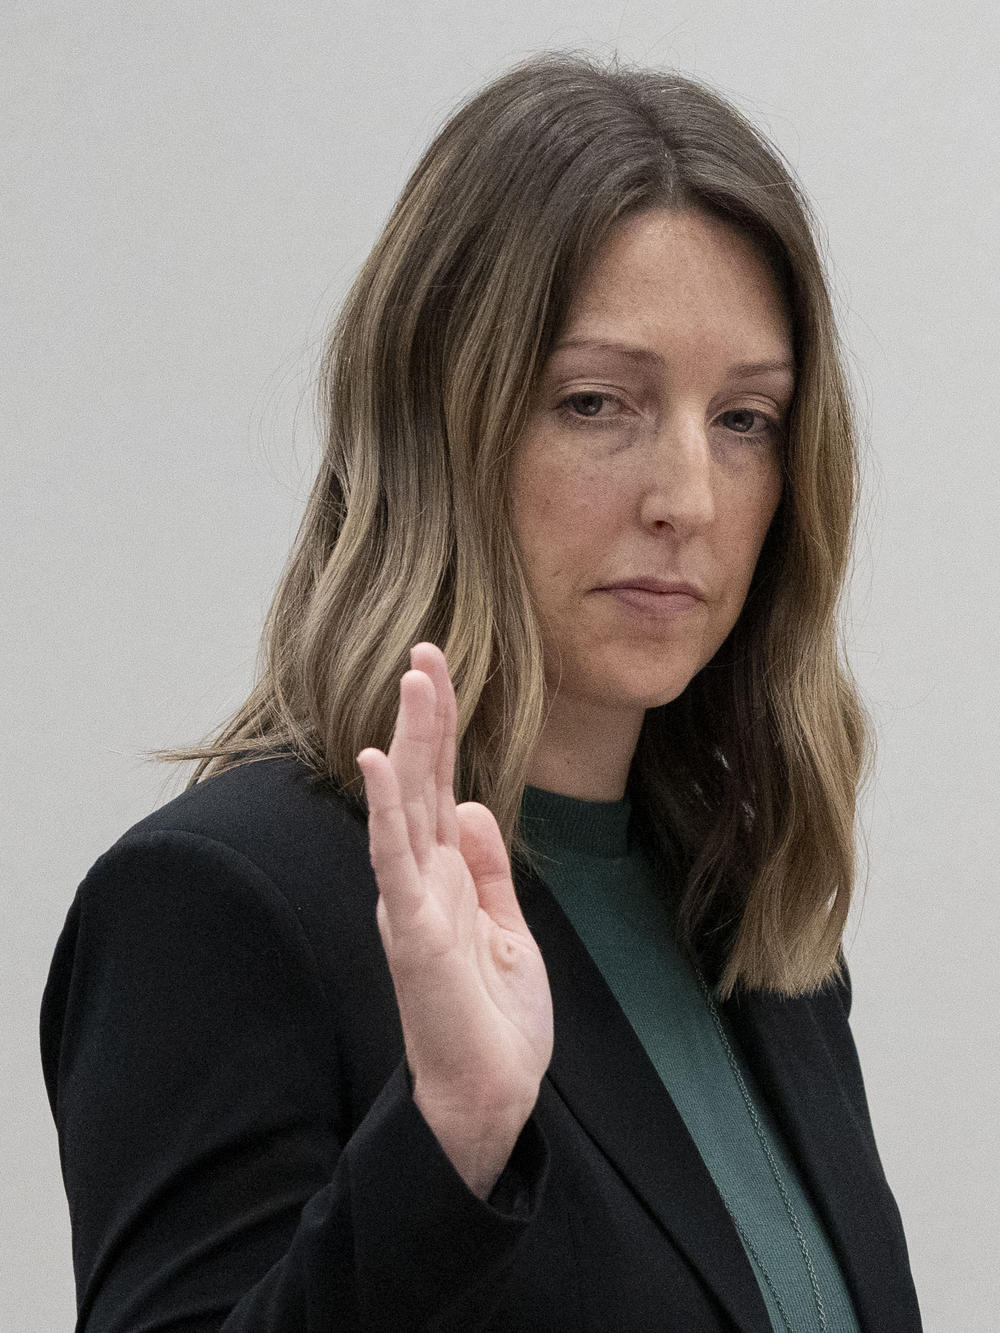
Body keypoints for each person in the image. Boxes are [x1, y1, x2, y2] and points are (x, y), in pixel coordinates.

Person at [40, 52, 923, 1332]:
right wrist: (447, 1140)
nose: (688, 496)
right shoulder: (226, 904)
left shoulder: (755, 917)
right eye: (595, 402)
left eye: (745, 419)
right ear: (440, 425)